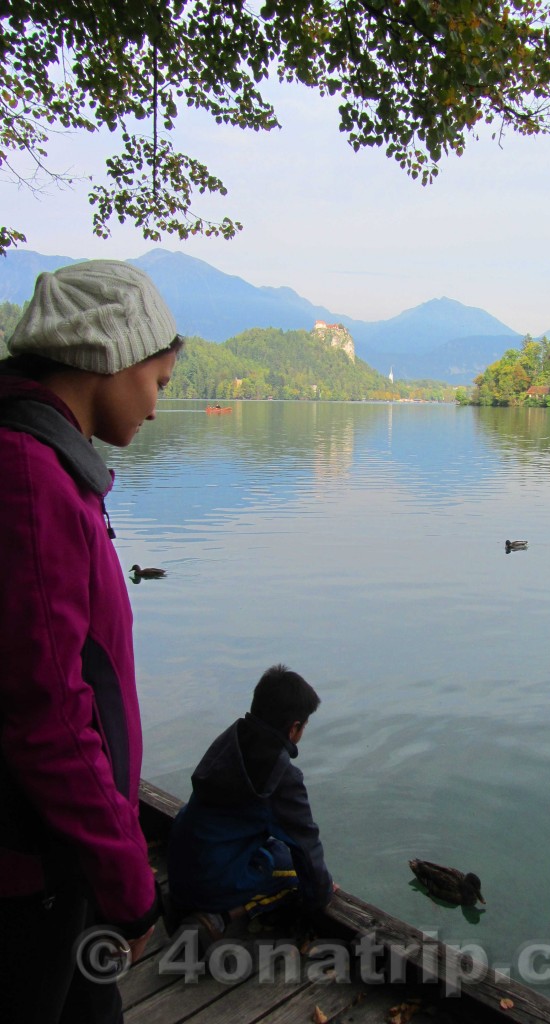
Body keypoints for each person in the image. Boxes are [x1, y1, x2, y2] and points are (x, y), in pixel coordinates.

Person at [0, 260, 182, 1024]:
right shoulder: (27, 476)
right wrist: (127, 879)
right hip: (31, 866)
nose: (155, 403)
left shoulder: (44, 461)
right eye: (159, 382)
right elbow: (45, 711)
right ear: (112, 357)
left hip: (56, 850)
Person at [167, 664, 334, 944]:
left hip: (180, 864)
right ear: (294, 727)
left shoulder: (231, 741)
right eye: (304, 725)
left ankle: (188, 902)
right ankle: (220, 918)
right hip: (207, 882)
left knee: (276, 849)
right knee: (294, 870)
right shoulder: (282, 778)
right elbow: (306, 846)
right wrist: (323, 893)